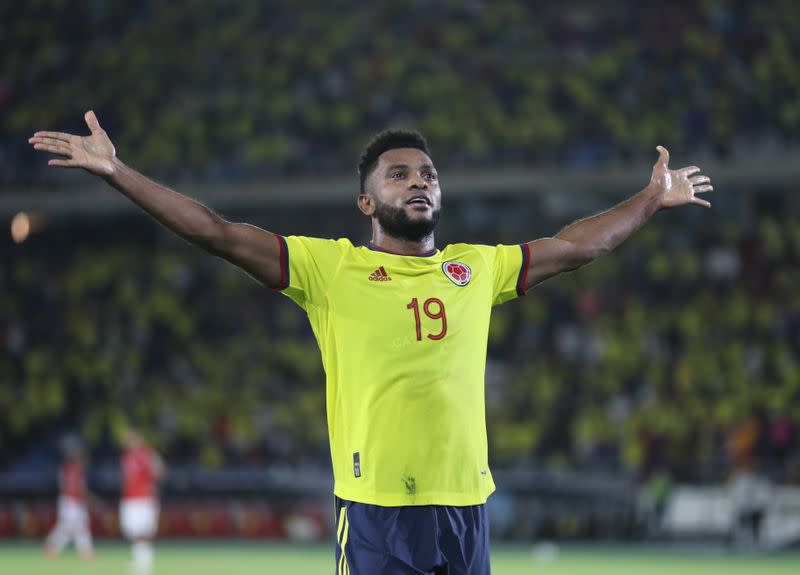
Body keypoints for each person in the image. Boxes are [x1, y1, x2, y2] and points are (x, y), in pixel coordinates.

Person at [30, 112, 713, 574]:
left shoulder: (477, 266)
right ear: (367, 204)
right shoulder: (331, 269)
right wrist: (119, 173)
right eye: (399, 173)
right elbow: (215, 231)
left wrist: (649, 198)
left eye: (428, 173)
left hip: (465, 507)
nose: (419, 180)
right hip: (379, 512)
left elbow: (576, 245)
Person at [119, 426, 165, 575]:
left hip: (144, 499)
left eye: (131, 438)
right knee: (132, 531)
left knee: (143, 530)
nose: (129, 441)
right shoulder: (126, 456)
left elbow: (160, 468)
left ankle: (145, 564)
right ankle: (140, 560)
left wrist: (152, 482)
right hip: (130, 499)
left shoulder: (147, 454)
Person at [44, 440, 95, 561]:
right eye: (83, 457)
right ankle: (52, 545)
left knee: (76, 527)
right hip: (71, 502)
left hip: (70, 501)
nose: (85, 461)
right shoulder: (74, 470)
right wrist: (91, 500)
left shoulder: (67, 468)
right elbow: (77, 489)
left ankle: (84, 551)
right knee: (70, 527)